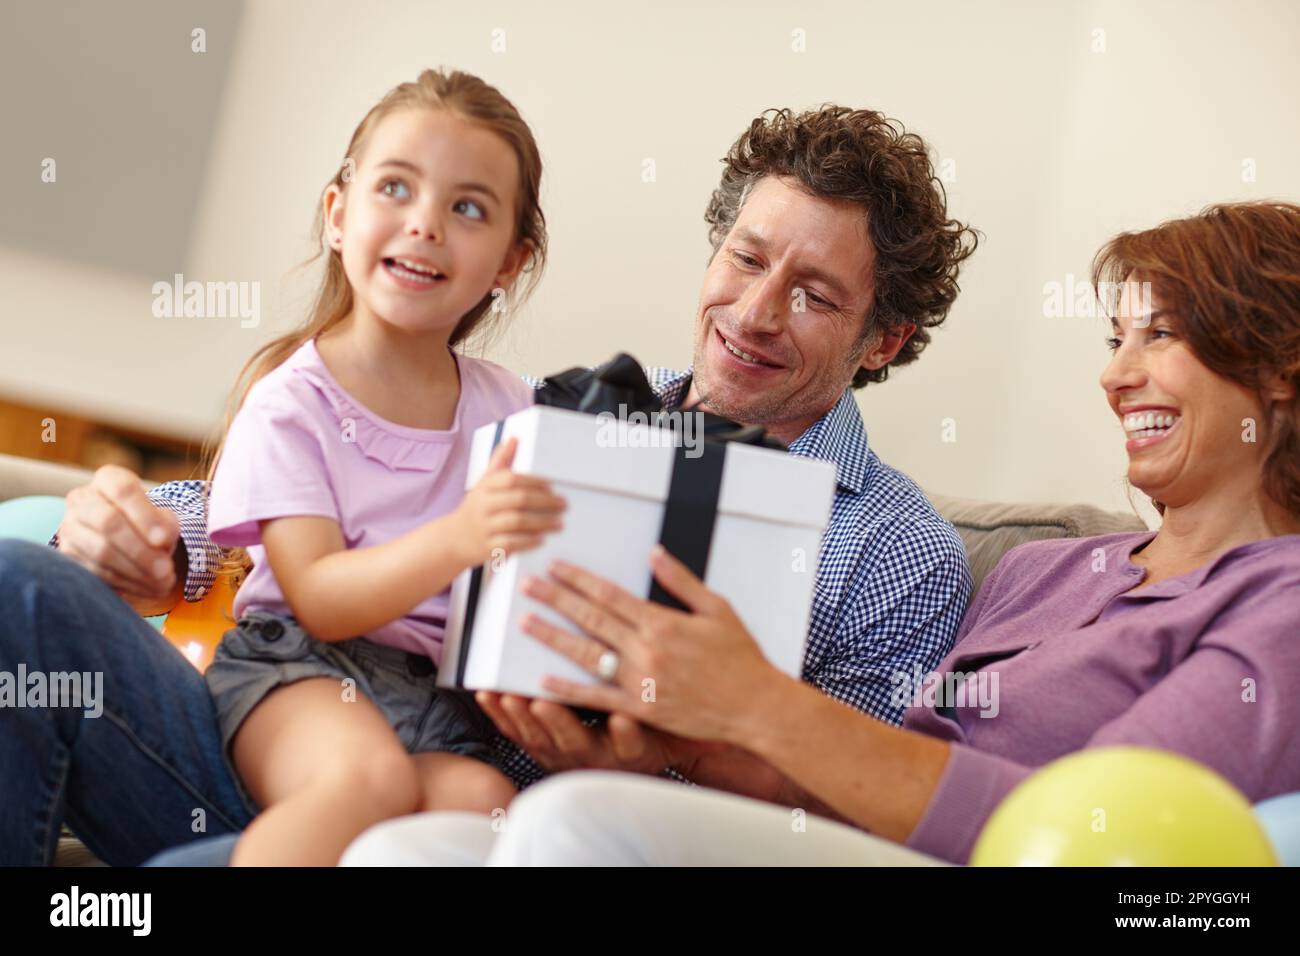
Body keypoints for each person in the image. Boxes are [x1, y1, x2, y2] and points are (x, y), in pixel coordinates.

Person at [0, 102, 977, 864]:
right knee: (24, 582)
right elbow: (332, 496)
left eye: (812, 295)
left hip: (490, 829)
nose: (755, 313)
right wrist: (145, 527)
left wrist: (669, 757)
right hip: (301, 743)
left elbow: (864, 810)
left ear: (882, 338)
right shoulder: (560, 411)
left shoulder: (897, 553)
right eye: (746, 258)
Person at [342, 201, 1300, 866]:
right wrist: (682, 752)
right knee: (405, 849)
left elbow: (1102, 838)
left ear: (1279, 370)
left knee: (579, 826)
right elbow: (872, 776)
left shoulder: (1281, 602)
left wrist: (752, 699)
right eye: (1114, 342)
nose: (1115, 377)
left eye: (1159, 337)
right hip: (844, 841)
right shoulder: (1053, 569)